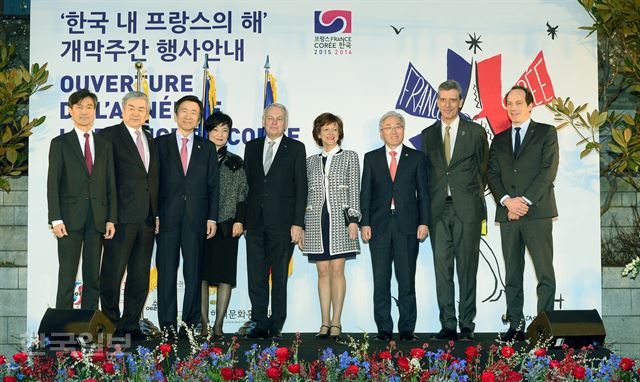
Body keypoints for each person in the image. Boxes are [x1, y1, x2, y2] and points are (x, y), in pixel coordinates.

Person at [487, 85, 559, 342]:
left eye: (519, 102)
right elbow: (492, 174)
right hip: (509, 215)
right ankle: (515, 326)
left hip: (536, 213)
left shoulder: (546, 133)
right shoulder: (499, 139)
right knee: (513, 273)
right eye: (509, 103)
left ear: (530, 105)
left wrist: (524, 202)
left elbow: (548, 171)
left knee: (544, 273)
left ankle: (544, 328)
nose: (513, 108)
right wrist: (508, 201)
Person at [421, 80, 488, 342]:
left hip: (467, 210)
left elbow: (482, 169)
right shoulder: (427, 135)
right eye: (442, 99)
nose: (447, 104)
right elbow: (427, 173)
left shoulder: (475, 132)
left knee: (467, 269)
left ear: (460, 102)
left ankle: (467, 325)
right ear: (437, 101)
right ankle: (448, 324)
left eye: (452, 99)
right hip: (438, 210)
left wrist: (469, 195)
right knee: (442, 270)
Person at [360, 110, 430, 342]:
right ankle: (384, 329)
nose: (393, 130)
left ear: (403, 129)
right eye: (388, 127)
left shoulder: (417, 157)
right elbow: (366, 194)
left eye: (397, 126)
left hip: (408, 226)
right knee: (381, 280)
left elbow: (424, 194)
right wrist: (365, 223)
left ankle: (407, 328)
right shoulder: (371, 158)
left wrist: (424, 222)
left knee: (406, 280)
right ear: (381, 133)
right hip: (378, 227)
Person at [47, 89, 116, 310]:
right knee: (67, 276)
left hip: (97, 219)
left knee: (92, 277)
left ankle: (88, 326)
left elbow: (110, 183)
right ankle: (62, 329)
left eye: (89, 107)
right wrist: (55, 219)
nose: (84, 111)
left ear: (95, 111)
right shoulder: (60, 143)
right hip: (68, 220)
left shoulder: (104, 143)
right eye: (79, 107)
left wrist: (110, 219)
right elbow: (52, 184)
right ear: (70, 111)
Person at [155, 95, 218, 337]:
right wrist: (155, 215)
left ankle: (189, 326)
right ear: (175, 114)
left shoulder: (207, 147)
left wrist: (211, 217)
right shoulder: (160, 144)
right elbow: (154, 183)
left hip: (196, 220)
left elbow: (213, 186)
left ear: (199, 119)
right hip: (167, 220)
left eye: (194, 112)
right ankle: (168, 326)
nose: (189, 116)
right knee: (167, 274)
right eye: (184, 111)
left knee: (193, 275)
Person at [243, 103, 307, 339]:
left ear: (286, 123)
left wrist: (298, 223)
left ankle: (276, 324)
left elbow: (302, 188)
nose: (274, 122)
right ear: (263, 121)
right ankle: (259, 322)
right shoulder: (251, 147)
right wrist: (244, 220)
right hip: (255, 223)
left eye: (279, 119)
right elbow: (245, 186)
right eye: (270, 118)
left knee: (279, 276)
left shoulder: (296, 148)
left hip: (283, 224)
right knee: (256, 276)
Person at [99, 91, 159, 341]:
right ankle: (111, 324)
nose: (136, 112)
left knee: (139, 274)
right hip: (119, 218)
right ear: (122, 109)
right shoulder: (108, 136)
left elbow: (153, 179)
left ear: (147, 113)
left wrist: (155, 213)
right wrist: (108, 216)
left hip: (146, 218)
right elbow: (103, 179)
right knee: (113, 273)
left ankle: (131, 323)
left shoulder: (150, 138)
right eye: (132, 108)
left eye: (141, 108)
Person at [300, 113, 360, 340]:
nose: (330, 133)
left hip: (340, 221)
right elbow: (305, 195)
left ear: (339, 132)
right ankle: (324, 322)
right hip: (315, 221)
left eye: (334, 129)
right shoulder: (310, 162)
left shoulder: (350, 157)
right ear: (318, 134)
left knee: (337, 270)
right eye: (326, 129)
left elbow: (355, 189)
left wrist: (354, 220)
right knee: (322, 271)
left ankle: (337, 322)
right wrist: (303, 227)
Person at [200, 111, 247, 339]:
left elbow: (243, 194)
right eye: (216, 129)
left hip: (228, 225)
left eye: (225, 130)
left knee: (225, 275)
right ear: (207, 132)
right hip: (198, 226)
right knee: (201, 275)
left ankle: (218, 325)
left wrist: (240, 220)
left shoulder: (236, 162)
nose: (220, 134)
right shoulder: (195, 157)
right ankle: (204, 324)